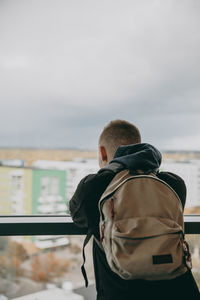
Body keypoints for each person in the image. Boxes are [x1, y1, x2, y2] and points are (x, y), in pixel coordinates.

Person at [69, 119, 200, 300]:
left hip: (119, 294)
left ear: (102, 152)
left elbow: (77, 216)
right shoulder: (173, 183)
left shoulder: (94, 188)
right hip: (179, 291)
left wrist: (109, 170)